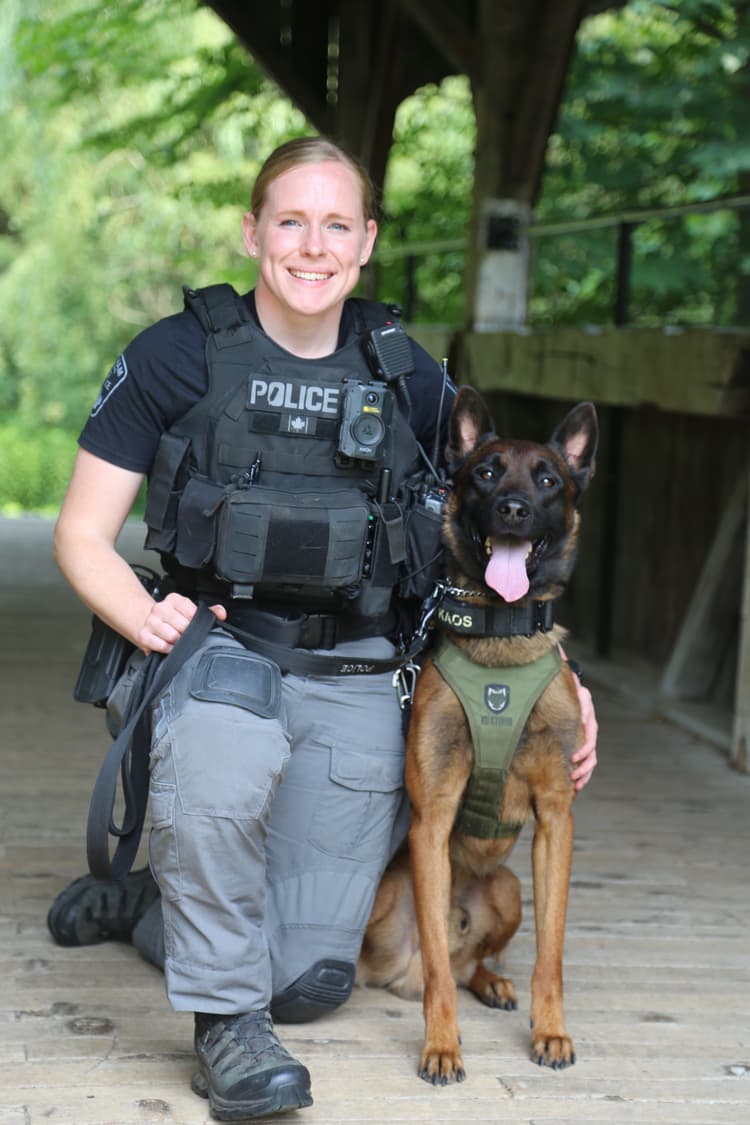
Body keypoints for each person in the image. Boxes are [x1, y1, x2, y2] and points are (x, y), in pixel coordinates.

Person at [50, 136, 598, 1121]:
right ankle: (223, 1028)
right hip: (218, 658)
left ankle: (154, 903)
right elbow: (81, 536)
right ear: (254, 230)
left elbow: (490, 530)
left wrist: (562, 683)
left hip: (355, 679)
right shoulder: (176, 354)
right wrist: (149, 617)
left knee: (308, 978)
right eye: (291, 221)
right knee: (221, 782)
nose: (314, 246)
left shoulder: (409, 375)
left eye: (337, 223)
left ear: (367, 241)